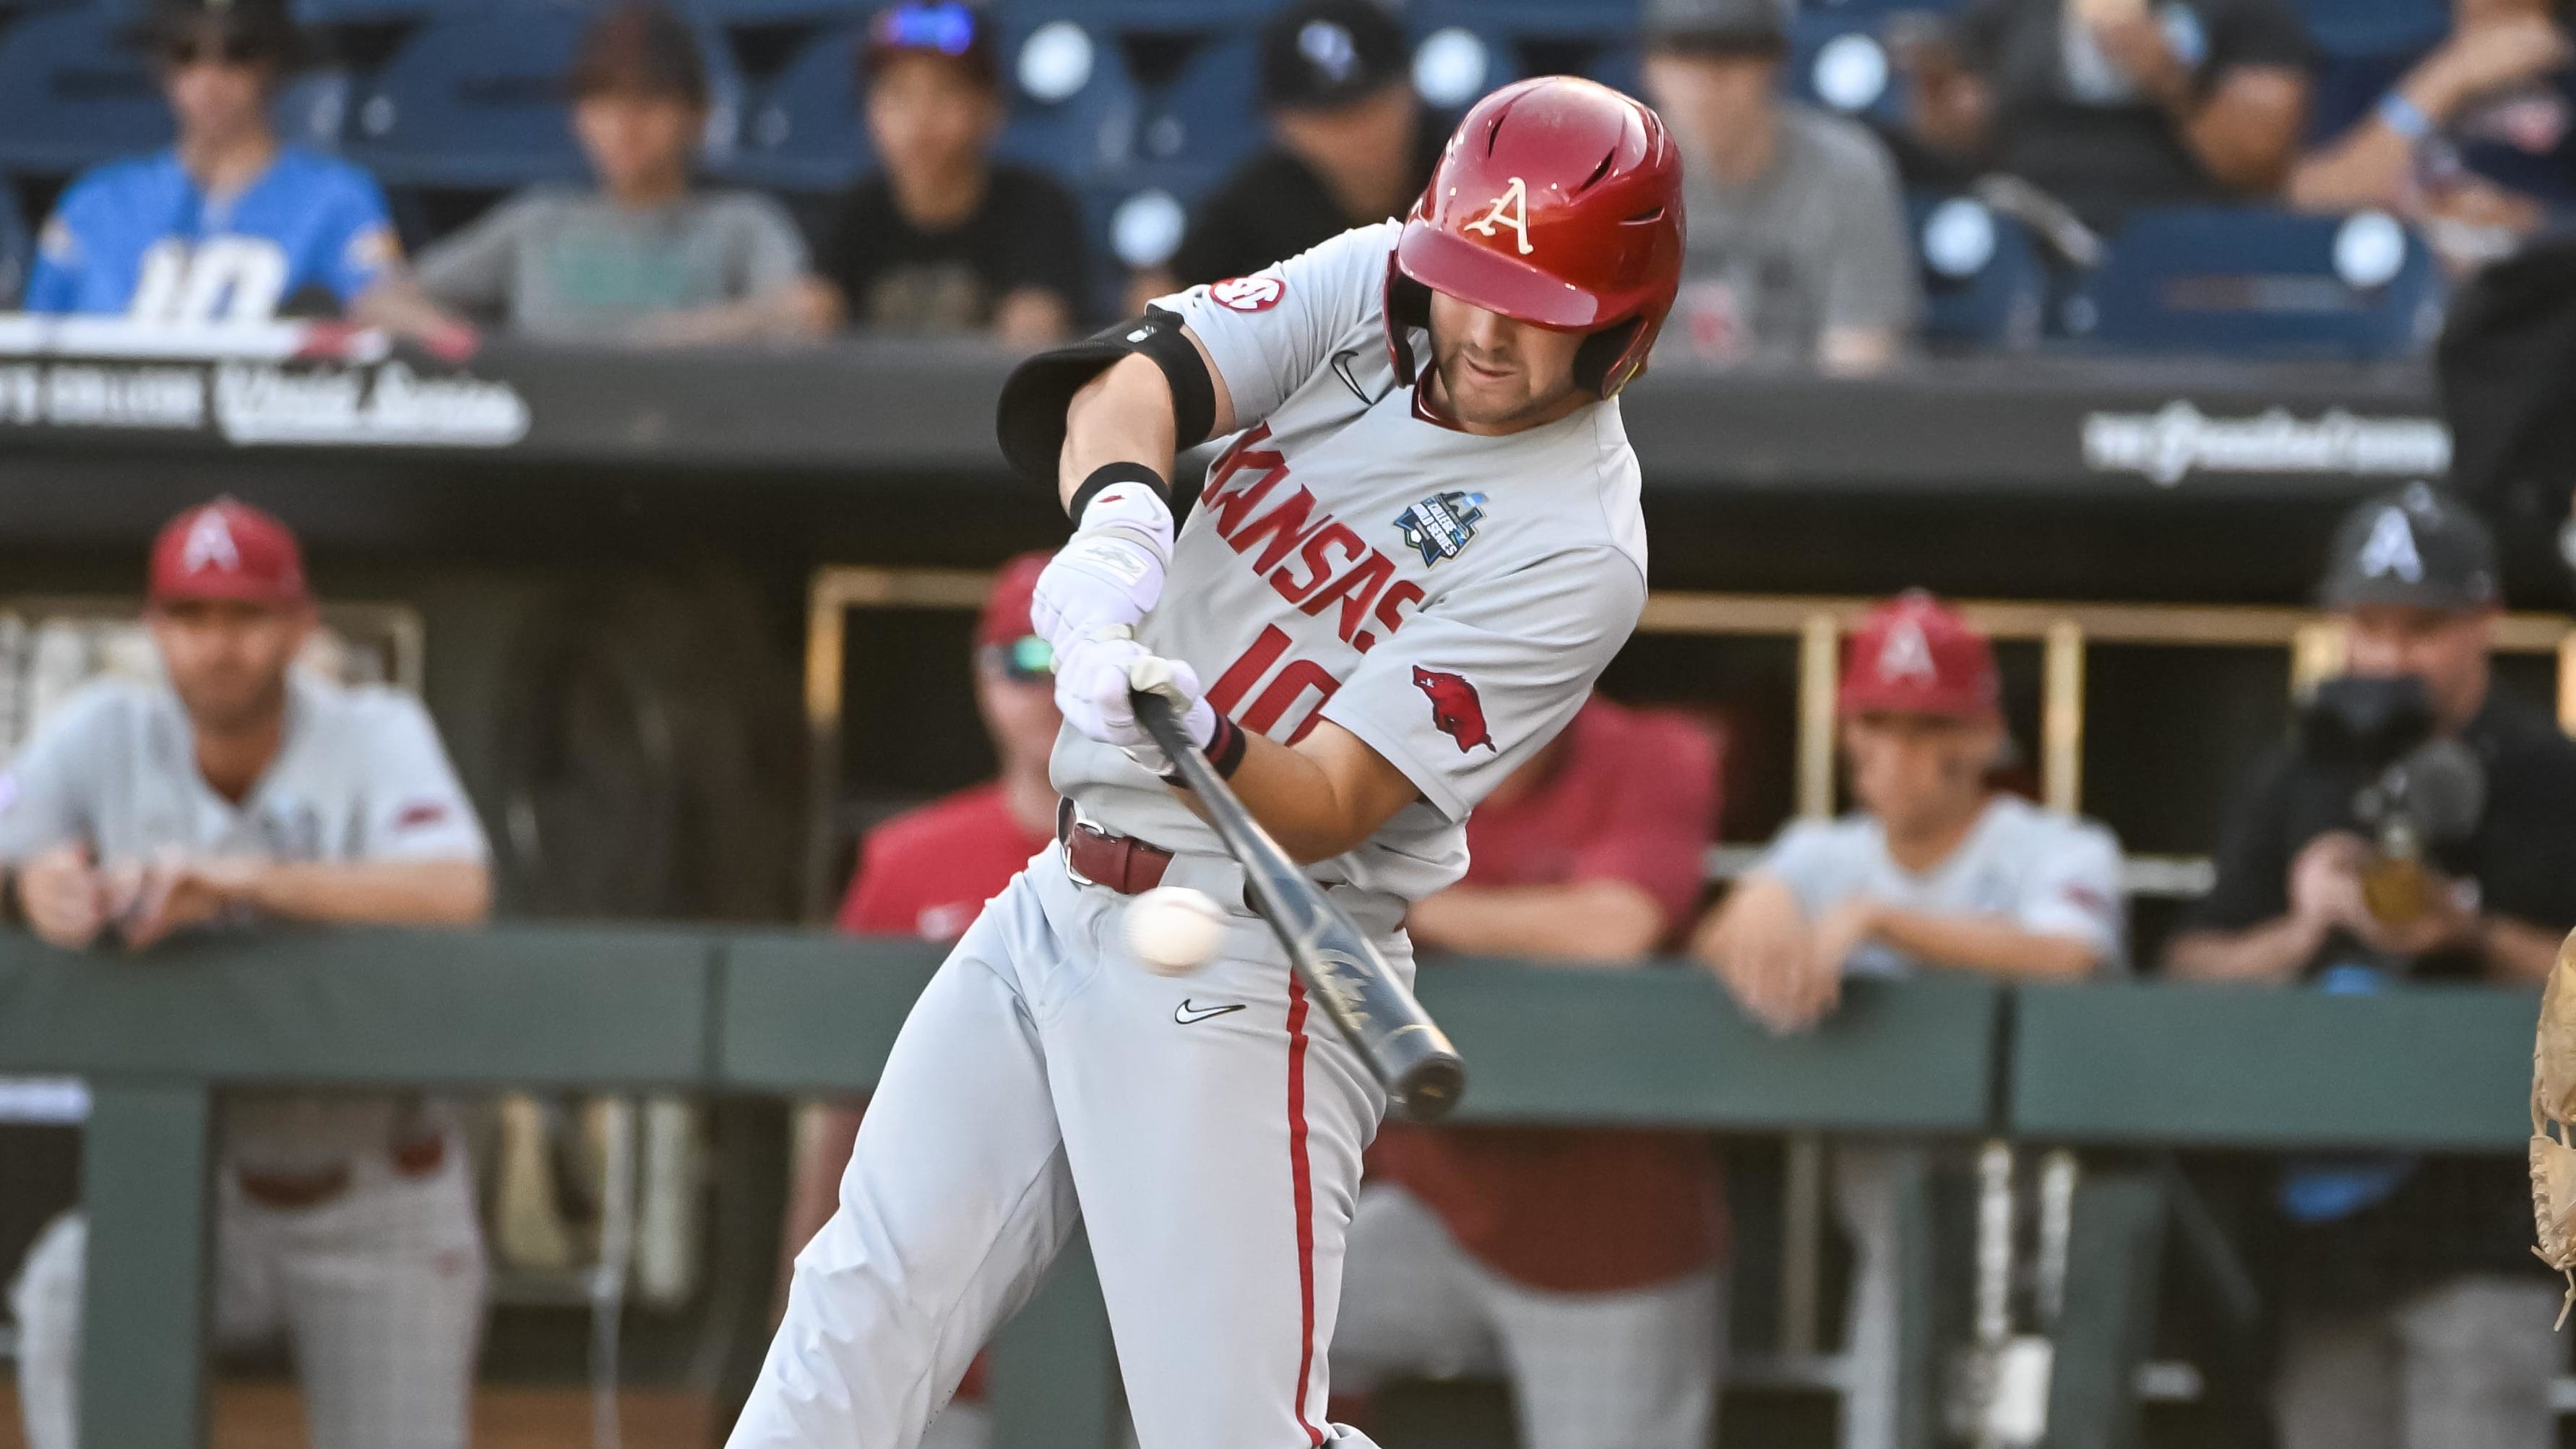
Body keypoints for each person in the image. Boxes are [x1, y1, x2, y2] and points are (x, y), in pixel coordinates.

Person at [728, 74, 1680, 1449]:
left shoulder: (1579, 550)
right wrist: (1118, 528)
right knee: (857, 1302)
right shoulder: (1382, 284)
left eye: (1538, 313)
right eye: (1472, 279)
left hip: (1250, 958)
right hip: (1058, 896)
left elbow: (1332, 800)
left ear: (1624, 336)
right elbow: (1135, 381)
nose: (1481, 328)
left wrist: (1193, 723)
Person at [1, 497, 494, 1449]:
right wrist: (33, 878)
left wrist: (245, 881)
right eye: (190, 617)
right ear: (154, 629)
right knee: (68, 1282)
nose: (217, 646)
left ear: (301, 626)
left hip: (377, 1189)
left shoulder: (374, 729)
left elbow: (456, 887)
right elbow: (11, 812)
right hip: (202, 1180)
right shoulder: (105, 728)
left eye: (245, 616)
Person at [2164, 483, 2576, 1449]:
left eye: (2421, 627)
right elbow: (2186, 967)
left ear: (2485, 621)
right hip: (2323, 1235)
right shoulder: (2300, 773)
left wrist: (2466, 931)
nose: (2389, 655)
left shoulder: (2547, 775)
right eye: (2368, 625)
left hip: (2489, 1222)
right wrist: (2303, 927)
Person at [1693, 591, 2125, 1449]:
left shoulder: (2061, 847)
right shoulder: (1821, 854)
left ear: (1980, 738)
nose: (1895, 752)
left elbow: (2072, 954)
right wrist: (1758, 900)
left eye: (1926, 728)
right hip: (1897, 1243)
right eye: (1877, 724)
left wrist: (1885, 921)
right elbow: (1712, 941)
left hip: (2048, 1243)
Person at [1333, 695, 1728, 1449]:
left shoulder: (1651, 750)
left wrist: (1403, 904)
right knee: (1229, 1319)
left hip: (1608, 1237)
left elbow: (1616, 927)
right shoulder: (1377, 754)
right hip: (1435, 1206)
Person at [775, 553, 1059, 1449]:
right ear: (981, 680)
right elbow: (839, 1101)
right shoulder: (909, 859)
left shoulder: (1202, 847)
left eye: (1077, 657)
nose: (1049, 689)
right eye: (1022, 663)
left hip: (1135, 1306)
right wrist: (802, 1289)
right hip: (940, 1308)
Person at [384, 1, 834, 345]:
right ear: (578, 117)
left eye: (650, 99)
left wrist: (667, 341)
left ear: (696, 114)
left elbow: (808, 309)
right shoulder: (539, 220)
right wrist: (464, 347)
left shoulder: (740, 222)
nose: (625, 124)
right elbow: (386, 299)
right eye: (603, 99)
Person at [20, 0, 452, 343]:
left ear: (275, 65)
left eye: (238, 53)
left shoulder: (335, 196)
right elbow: (32, 347)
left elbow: (386, 305)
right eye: (185, 53)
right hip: (103, 445)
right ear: (162, 68)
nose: (210, 77)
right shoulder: (97, 202)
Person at [1640, 0, 1921, 372]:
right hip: (1661, 427)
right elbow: (1618, 373)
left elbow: (1860, 366)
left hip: (1808, 424)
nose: (1706, 84)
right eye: (1685, 57)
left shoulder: (1845, 171)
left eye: (1729, 59)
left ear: (1772, 68)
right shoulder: (1624, 176)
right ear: (1651, 69)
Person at [1896, 0, 2312, 231]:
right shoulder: (2011, 13)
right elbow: (1953, 140)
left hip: (2180, 242)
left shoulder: (2243, 13)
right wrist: (1935, 85)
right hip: (2027, 232)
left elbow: (2260, 168)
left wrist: (2172, 82)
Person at [1133, 0, 1443, 309]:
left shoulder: (1464, 168)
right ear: (1283, 126)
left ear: (1410, 88)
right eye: (1330, 120)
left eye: (1373, 106)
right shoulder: (1259, 198)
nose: (1360, 134)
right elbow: (1158, 296)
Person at [817, 1, 1087, 343]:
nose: (920, 118)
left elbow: (1035, 337)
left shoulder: (1036, 204)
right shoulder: (856, 209)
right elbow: (811, 312)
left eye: (944, 91)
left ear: (991, 108)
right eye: (898, 93)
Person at [2290, 0, 2573, 272]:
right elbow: (2310, 207)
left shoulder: (2565, 84)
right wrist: (2447, 79)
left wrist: (2518, 217)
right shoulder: (2383, 69)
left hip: (2538, 300)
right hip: (2397, 296)